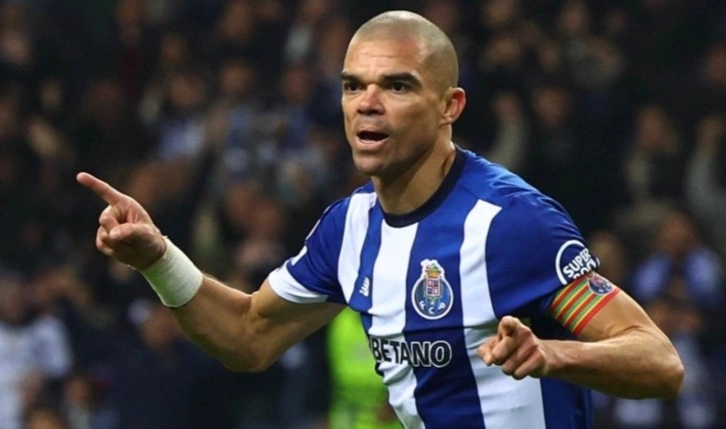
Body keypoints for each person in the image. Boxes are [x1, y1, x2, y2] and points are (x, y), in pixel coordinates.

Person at [76, 10, 684, 429]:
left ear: (449, 106)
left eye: (396, 86)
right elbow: (248, 337)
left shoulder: (510, 221)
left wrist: (553, 355)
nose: (367, 103)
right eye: (352, 86)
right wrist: (157, 259)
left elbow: (659, 362)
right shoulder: (348, 229)